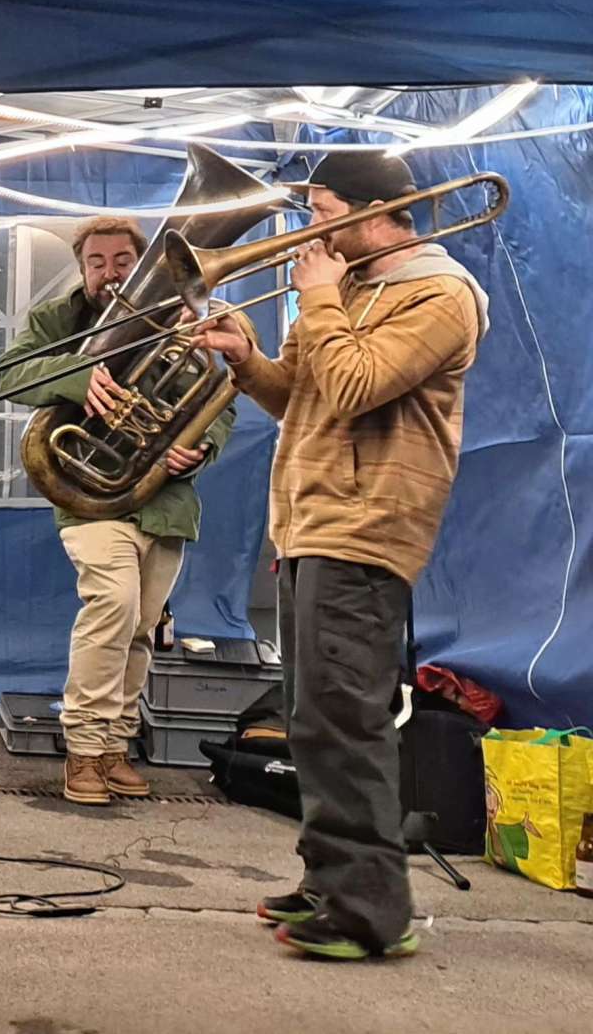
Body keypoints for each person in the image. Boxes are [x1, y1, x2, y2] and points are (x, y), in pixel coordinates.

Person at [192, 152, 488, 961]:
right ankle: (333, 880)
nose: (307, 232)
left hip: (367, 523)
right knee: (314, 719)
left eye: (320, 212)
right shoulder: (349, 289)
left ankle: (368, 911)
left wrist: (318, 297)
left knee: (347, 719)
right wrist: (245, 360)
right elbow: (302, 395)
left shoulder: (442, 294)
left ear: (372, 212)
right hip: (311, 520)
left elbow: (359, 385)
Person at [0, 216, 237, 806]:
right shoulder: (58, 319)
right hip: (90, 492)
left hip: (165, 500)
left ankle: (114, 746)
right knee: (113, 606)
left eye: (123, 261)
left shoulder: (182, 314)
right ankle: (82, 746)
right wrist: (81, 376)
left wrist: (201, 444)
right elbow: (8, 374)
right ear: (82, 268)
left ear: (145, 262)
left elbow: (220, 399)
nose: (110, 273)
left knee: (143, 626)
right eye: (96, 263)